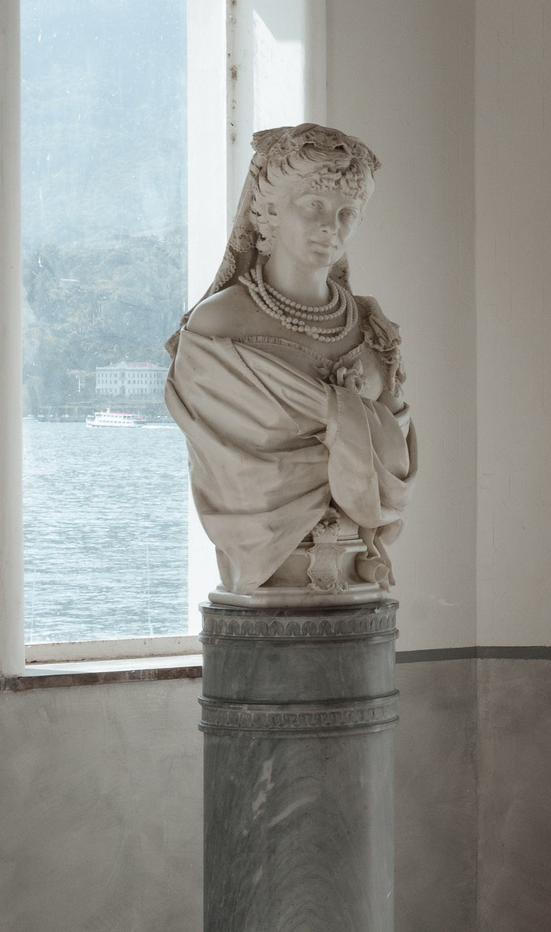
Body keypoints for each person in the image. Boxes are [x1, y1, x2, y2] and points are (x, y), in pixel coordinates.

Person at [165, 124, 415, 600]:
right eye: (314, 206)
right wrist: (351, 424)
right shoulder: (218, 328)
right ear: (272, 211)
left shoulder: (372, 329)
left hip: (355, 579)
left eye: (347, 213)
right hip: (264, 578)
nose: (331, 226)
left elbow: (396, 449)